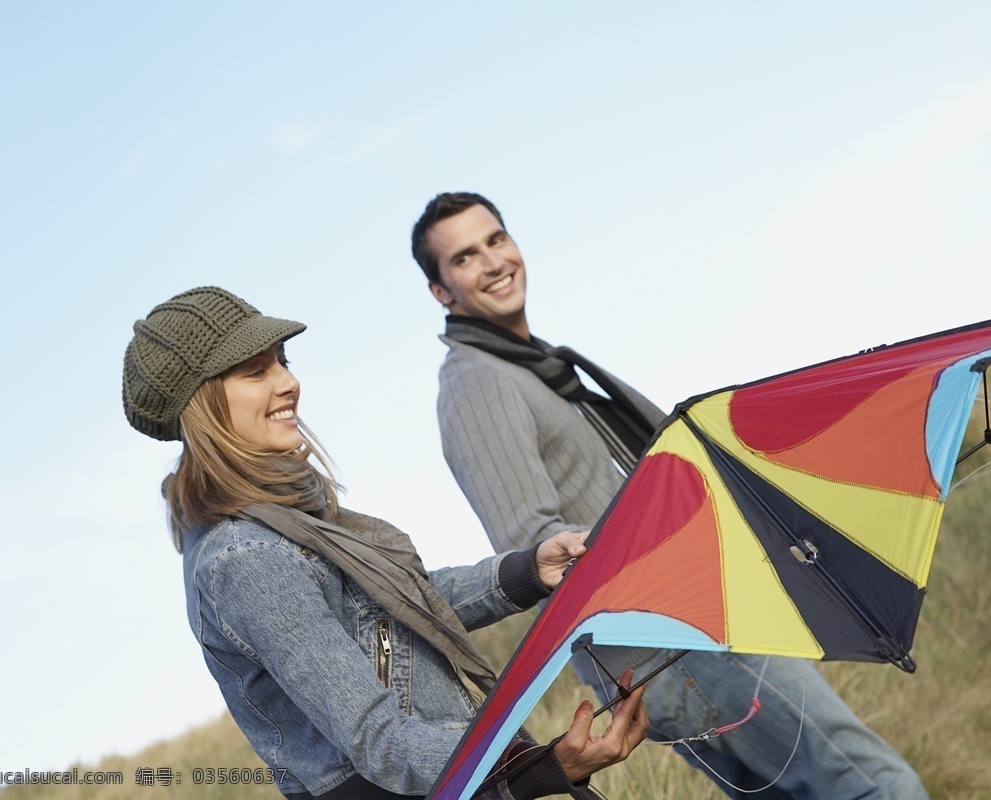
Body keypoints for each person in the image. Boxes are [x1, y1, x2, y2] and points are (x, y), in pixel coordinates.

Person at [411, 192, 930, 800]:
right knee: (877, 785)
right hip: (678, 641)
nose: (494, 262)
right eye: (466, 257)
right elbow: (535, 548)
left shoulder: (535, 366)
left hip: (683, 636)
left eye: (496, 240)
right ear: (442, 291)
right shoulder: (479, 384)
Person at [121, 286, 650, 800]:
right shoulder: (247, 557)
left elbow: (393, 612)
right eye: (257, 371)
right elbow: (377, 740)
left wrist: (528, 571)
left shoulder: (285, 524)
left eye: (282, 360)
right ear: (204, 407)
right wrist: (538, 768)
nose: (288, 382)